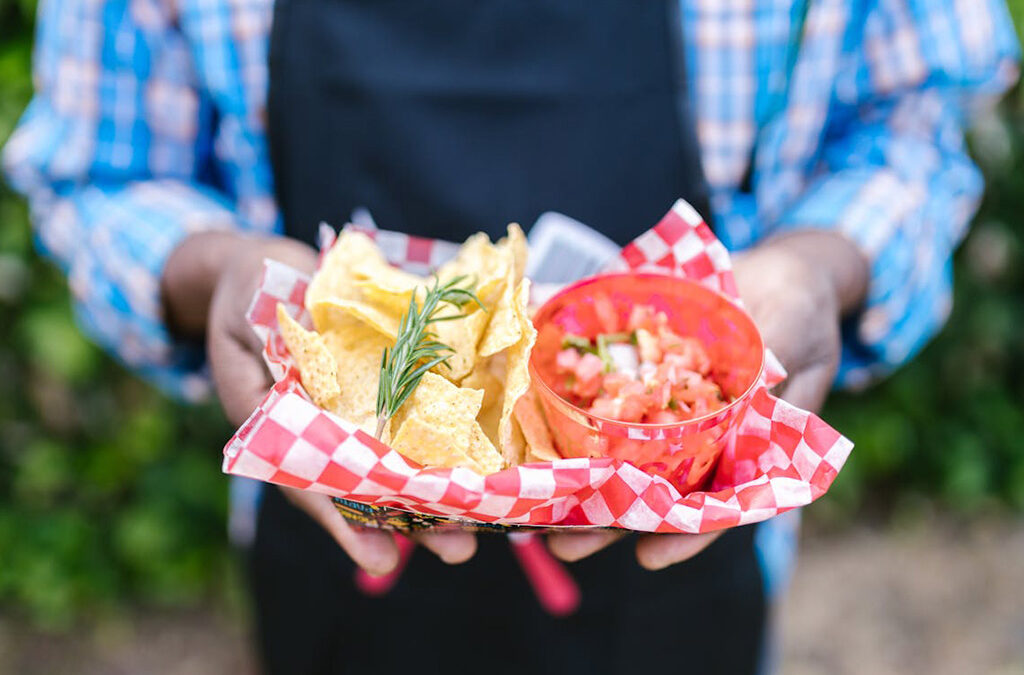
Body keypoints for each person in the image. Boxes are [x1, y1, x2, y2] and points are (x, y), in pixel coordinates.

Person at [3, 1, 1018, 673]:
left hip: (684, 543)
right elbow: (101, 167)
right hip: (336, 531)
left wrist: (819, 266)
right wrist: (216, 271)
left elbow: (913, 119)